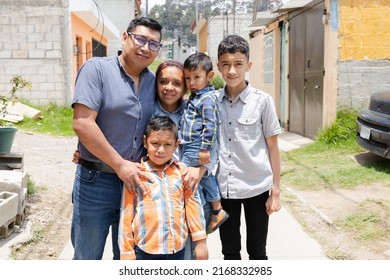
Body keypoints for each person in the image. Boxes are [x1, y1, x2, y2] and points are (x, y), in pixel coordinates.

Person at [71, 16, 162, 260]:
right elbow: (82, 124)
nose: (146, 48)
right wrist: (119, 164)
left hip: (135, 183)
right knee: (87, 258)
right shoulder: (97, 69)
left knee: (127, 257)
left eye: (153, 44)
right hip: (96, 181)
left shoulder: (154, 83)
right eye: (140, 39)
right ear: (125, 37)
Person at [215, 35, 282, 260]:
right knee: (230, 252)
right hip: (225, 190)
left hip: (256, 188)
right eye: (226, 64)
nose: (232, 71)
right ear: (218, 67)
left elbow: (273, 148)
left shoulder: (263, 101)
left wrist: (276, 191)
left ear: (248, 65)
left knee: (257, 252)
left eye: (238, 64)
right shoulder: (212, 102)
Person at [119, 116, 208, 260]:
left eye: (167, 144)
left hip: (177, 250)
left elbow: (193, 207)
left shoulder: (181, 171)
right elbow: (126, 214)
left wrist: (200, 242)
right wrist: (127, 253)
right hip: (145, 251)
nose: (161, 150)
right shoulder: (137, 175)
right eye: (155, 143)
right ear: (145, 142)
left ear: (176, 145)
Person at [179, 52, 228, 234]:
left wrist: (205, 148)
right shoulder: (195, 97)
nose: (191, 82)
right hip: (190, 144)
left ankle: (194, 215)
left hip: (197, 145)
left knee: (182, 174)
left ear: (209, 76)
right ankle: (216, 209)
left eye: (196, 77)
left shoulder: (207, 99)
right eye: (188, 78)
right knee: (205, 177)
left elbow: (211, 125)